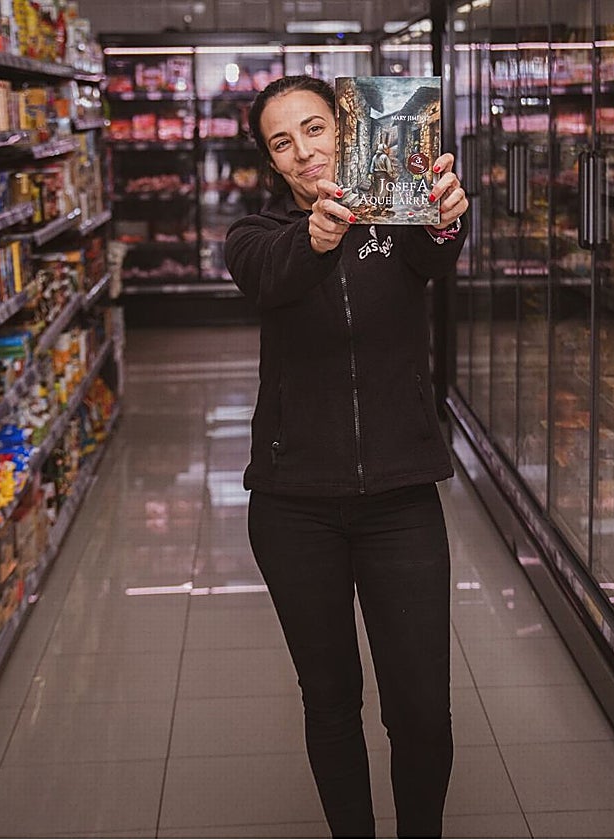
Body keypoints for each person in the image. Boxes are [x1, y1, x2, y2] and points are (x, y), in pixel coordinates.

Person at [223, 75, 468, 839]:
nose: (303, 152)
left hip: (401, 499)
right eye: (282, 142)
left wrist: (448, 216)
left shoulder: (399, 215)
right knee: (330, 701)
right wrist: (317, 236)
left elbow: (436, 255)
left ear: (349, 127)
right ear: (270, 161)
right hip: (294, 507)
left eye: (315, 129)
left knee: (422, 708)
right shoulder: (255, 235)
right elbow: (275, 275)